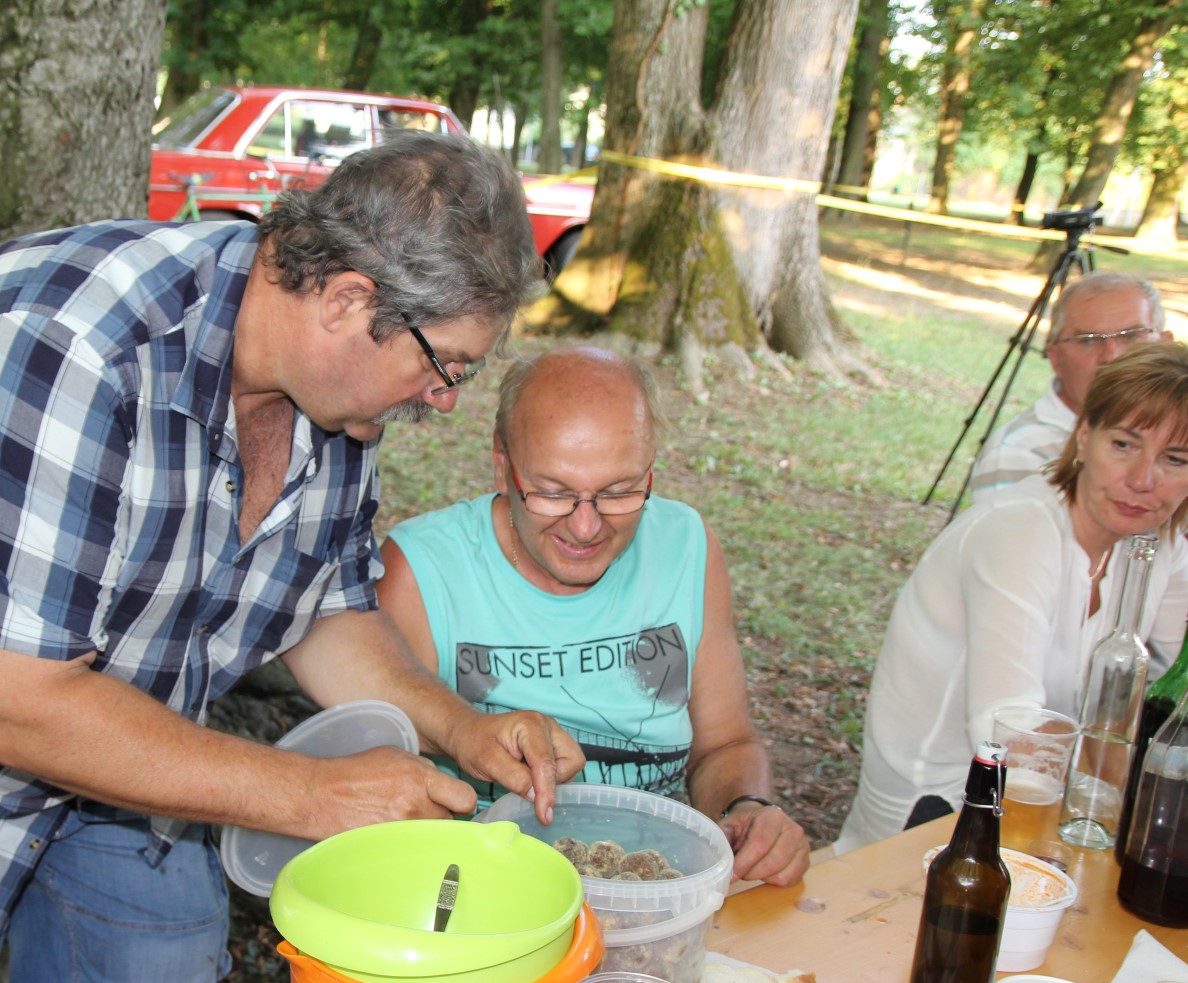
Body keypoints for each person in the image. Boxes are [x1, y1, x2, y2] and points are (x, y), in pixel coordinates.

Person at [0, 132, 586, 983]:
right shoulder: (69, 345)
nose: (447, 398)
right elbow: (16, 705)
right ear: (348, 299)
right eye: (447, 364)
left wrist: (462, 728)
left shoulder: (336, 393)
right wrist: (311, 795)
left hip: (121, 731)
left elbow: (324, 611)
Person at [375, 346, 811, 887]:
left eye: (619, 492)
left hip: (650, 893)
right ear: (502, 465)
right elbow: (381, 792)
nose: (585, 528)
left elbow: (725, 744)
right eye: (553, 493)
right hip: (482, 897)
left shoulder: (686, 547)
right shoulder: (421, 572)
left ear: (651, 474)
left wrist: (747, 808)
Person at [840, 341, 1188, 853]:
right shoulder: (1020, 528)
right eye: (1124, 445)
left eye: (1175, 459)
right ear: (1084, 435)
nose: (1142, 480)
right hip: (937, 815)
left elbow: (1173, 689)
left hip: (1055, 806)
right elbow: (1005, 730)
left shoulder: (1164, 539)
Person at [969, 271, 1172, 506]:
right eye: (1088, 340)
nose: (1111, 356)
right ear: (1056, 358)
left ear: (1164, 345)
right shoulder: (1021, 455)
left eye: (1130, 336)